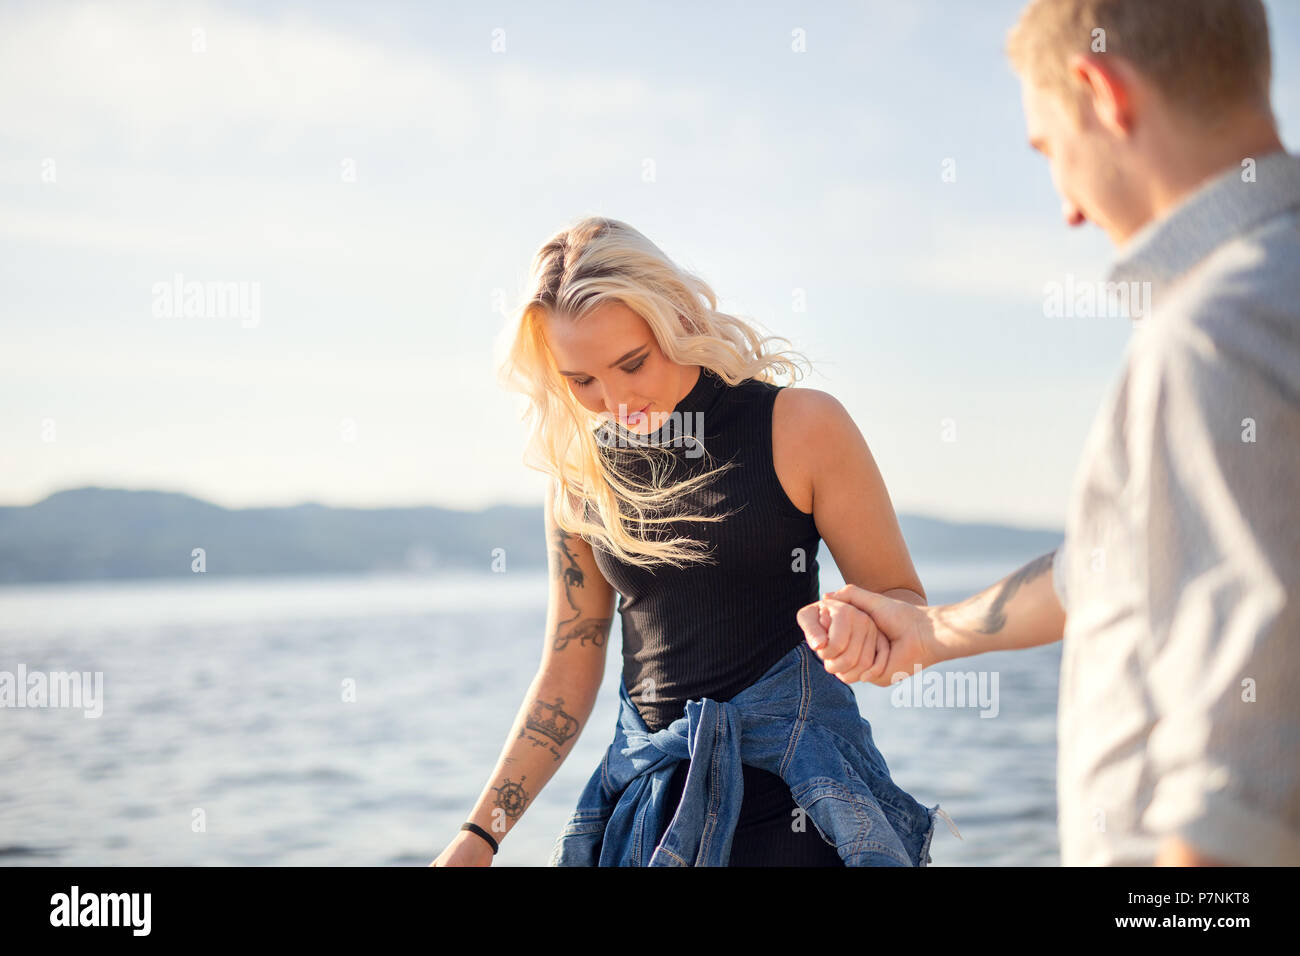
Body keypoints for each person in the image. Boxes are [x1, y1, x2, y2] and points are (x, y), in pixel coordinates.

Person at [800, 0, 1300, 866]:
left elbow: (1246, 780)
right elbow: (1114, 565)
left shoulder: (1214, 335)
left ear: (1100, 91)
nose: (1067, 209)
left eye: (1047, 151)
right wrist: (931, 633)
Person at [432, 216, 947, 866]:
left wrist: (859, 631)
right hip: (646, 814)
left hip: (794, 810)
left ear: (674, 315)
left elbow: (907, 624)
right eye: (582, 381)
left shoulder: (801, 426)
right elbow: (567, 670)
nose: (617, 400)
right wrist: (481, 835)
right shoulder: (578, 472)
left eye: (632, 363)